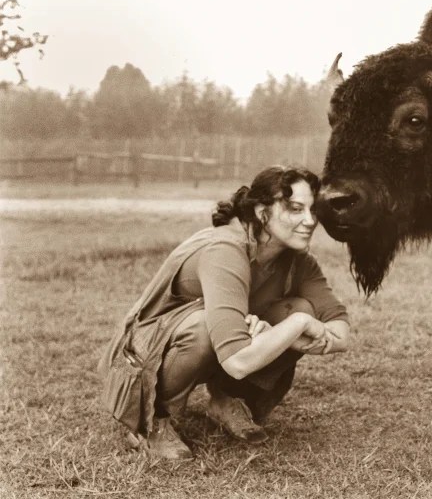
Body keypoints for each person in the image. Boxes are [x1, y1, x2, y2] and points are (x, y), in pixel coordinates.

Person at [98, 165, 350, 460]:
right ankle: (151, 420)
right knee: (209, 325)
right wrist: (297, 326)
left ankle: (227, 399)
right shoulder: (225, 250)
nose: (310, 221)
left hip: (221, 345)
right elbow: (238, 362)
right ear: (262, 212)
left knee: (297, 308)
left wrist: (283, 331)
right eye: (295, 209)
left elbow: (342, 331)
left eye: (312, 209)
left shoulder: (298, 261)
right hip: (142, 356)